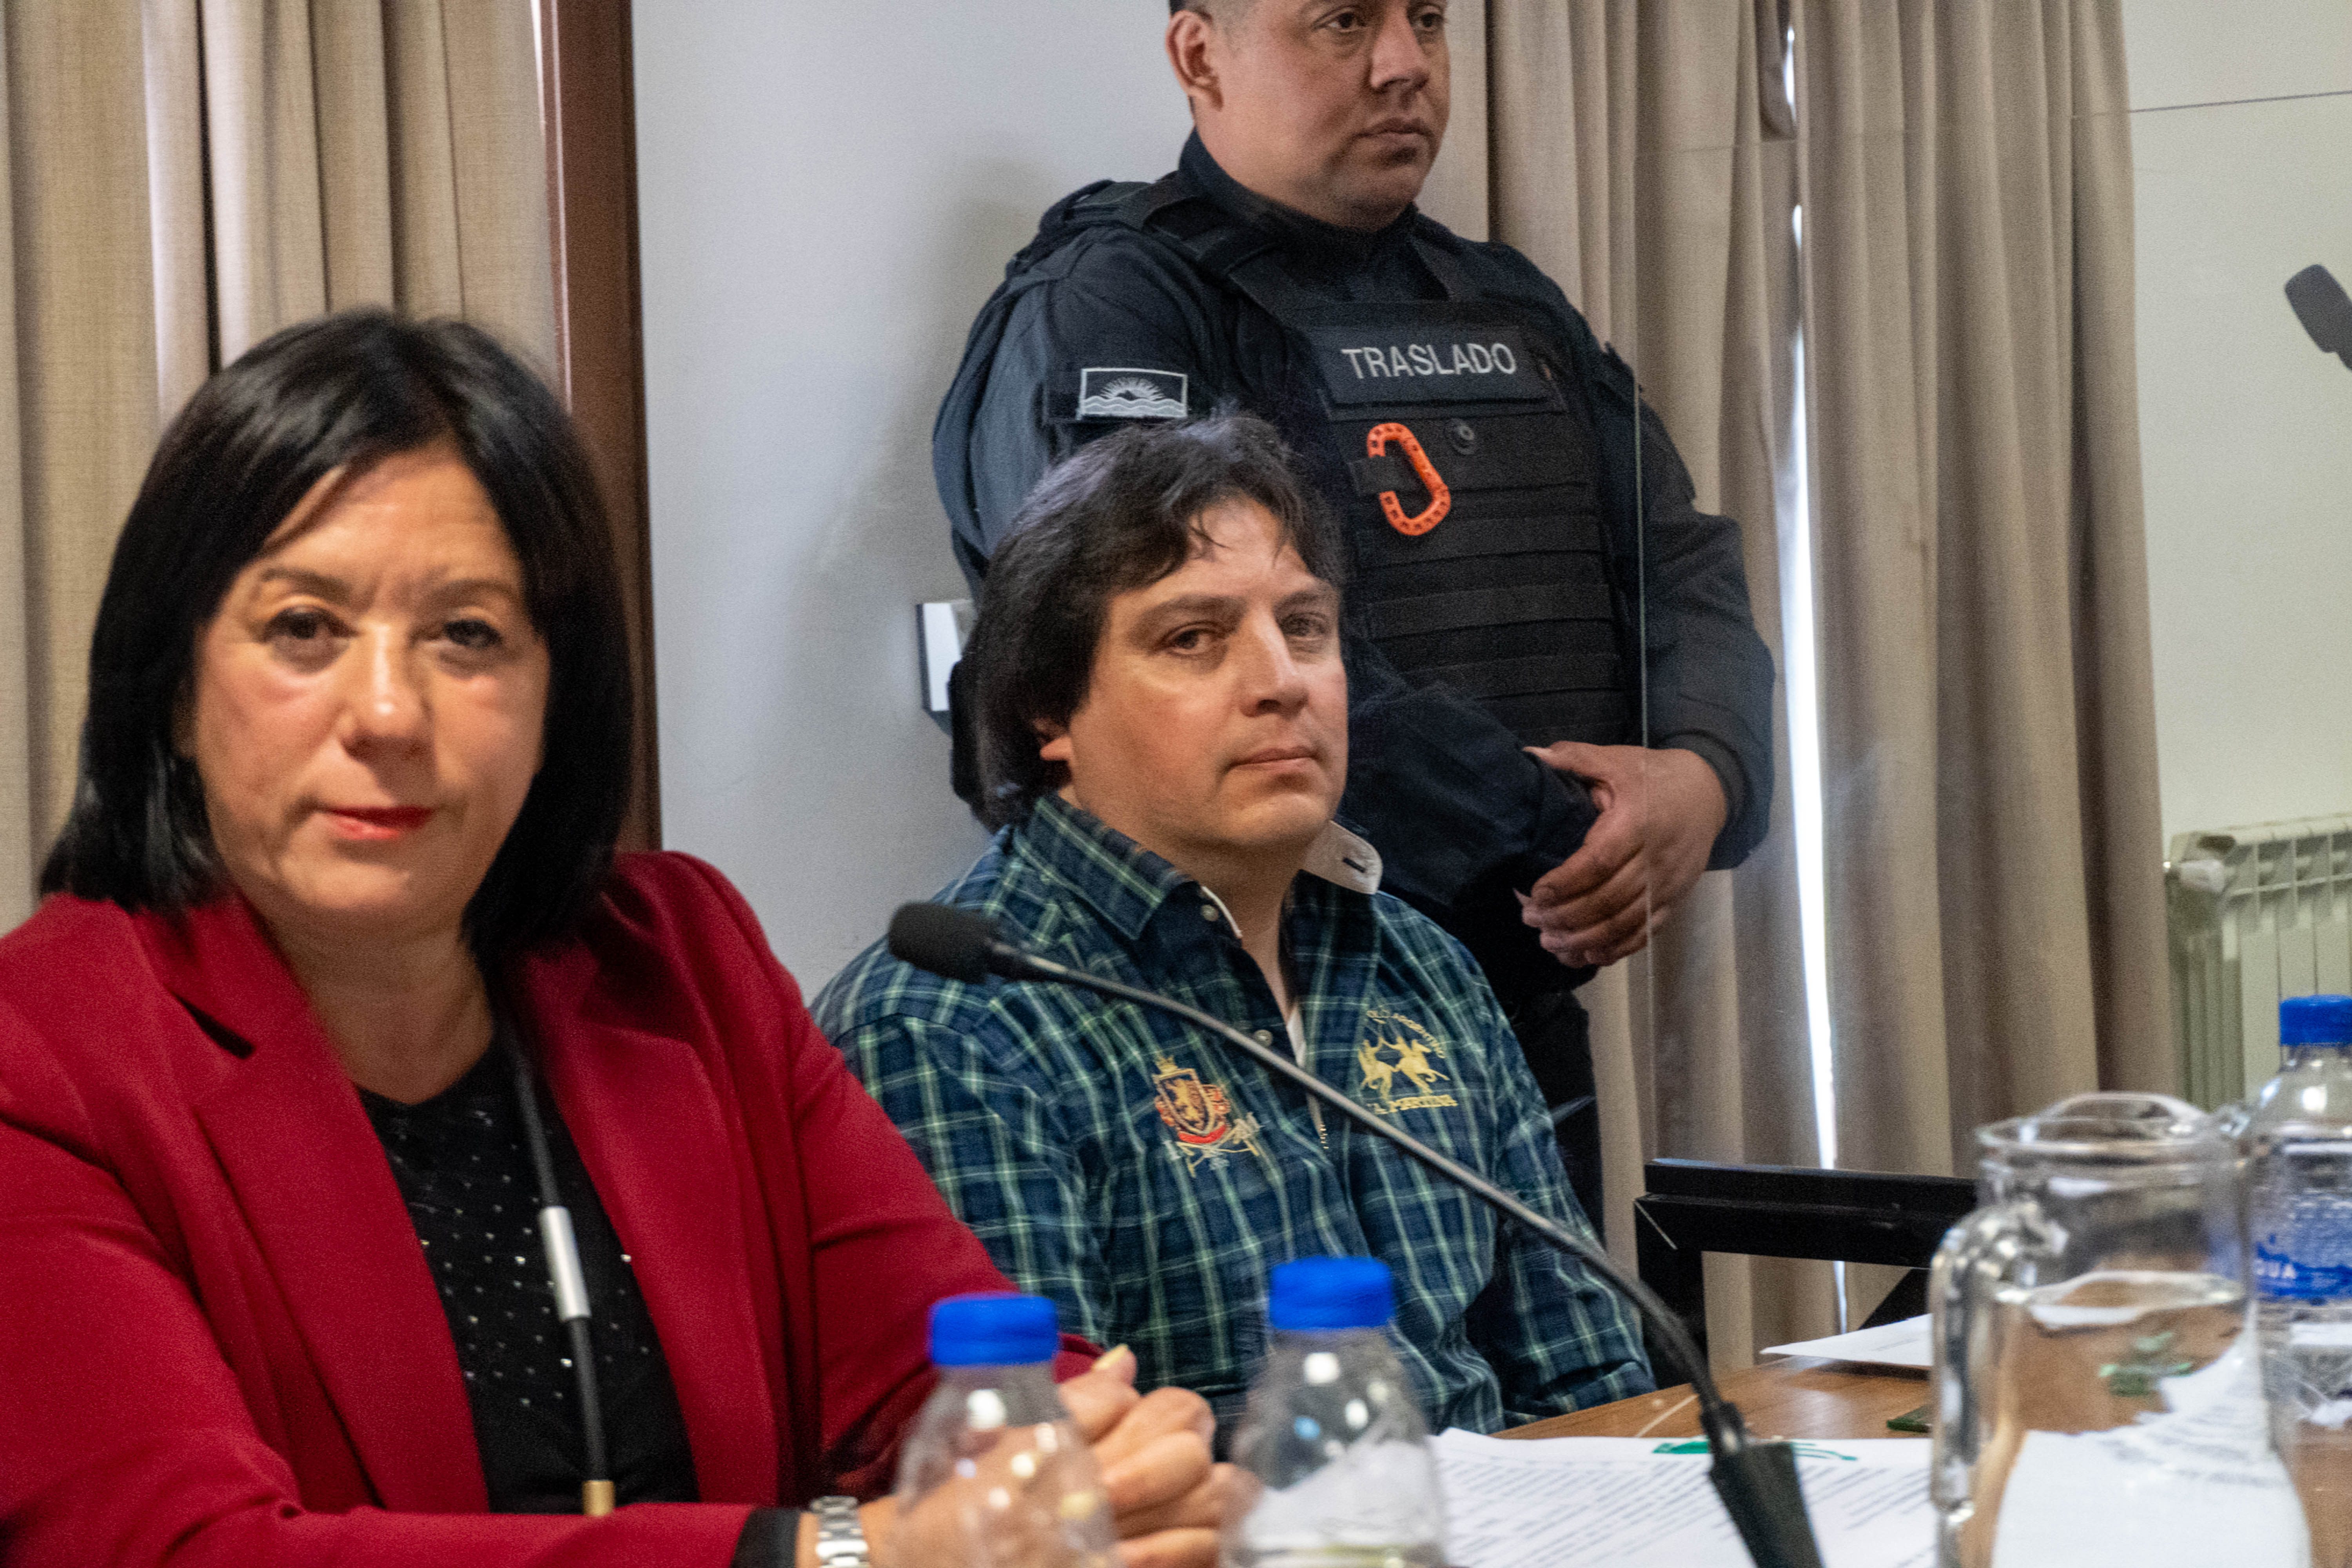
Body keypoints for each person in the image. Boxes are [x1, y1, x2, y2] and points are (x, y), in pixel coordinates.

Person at [0, 310, 1227, 1568]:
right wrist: (846, 1557)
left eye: (467, 634)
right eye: (304, 628)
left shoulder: (679, 957)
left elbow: (962, 1369)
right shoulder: (41, 1059)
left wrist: (1100, 1473)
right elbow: (186, 1550)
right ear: (176, 692)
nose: (386, 712)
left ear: (554, 695)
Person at [932, 0, 1776, 1217]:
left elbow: (1682, 560)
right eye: (1341, 22)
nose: (1404, 66)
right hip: (1214, 1006)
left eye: (1426, 21)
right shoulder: (1115, 307)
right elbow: (1204, 649)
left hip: (1506, 998)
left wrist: (1701, 778)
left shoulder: (1506, 305)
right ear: (1199, 54)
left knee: (1573, 1395)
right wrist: (1574, 830)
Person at [817, 415, 1650, 1438]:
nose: (1281, 682)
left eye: (1304, 628)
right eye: (1193, 640)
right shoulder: (950, 1021)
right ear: (1049, 712)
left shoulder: (1421, 962)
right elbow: (1045, 1484)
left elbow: (1592, 1383)